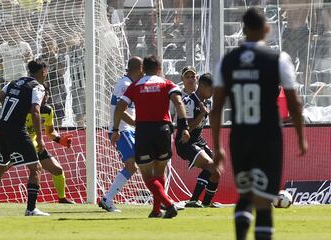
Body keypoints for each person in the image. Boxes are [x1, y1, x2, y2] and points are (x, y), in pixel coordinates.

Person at [211, 8, 307, 240]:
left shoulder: (228, 61)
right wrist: (300, 137)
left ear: (243, 30)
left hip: (240, 136)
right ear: (266, 29)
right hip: (268, 136)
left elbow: (216, 109)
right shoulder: (278, 59)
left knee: (245, 196)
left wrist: (218, 147)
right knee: (263, 201)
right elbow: (294, 104)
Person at [111, 55, 190, 218]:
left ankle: (167, 204)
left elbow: (120, 107)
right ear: (159, 68)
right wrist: (184, 127)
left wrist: (116, 129)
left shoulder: (135, 86)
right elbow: (178, 102)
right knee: (159, 173)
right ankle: (156, 210)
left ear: (143, 69)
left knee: (147, 175)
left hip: (144, 130)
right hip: (163, 130)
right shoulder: (167, 83)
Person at [0, 88, 74, 204]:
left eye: (47, 95)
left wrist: (60, 140)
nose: (45, 98)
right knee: (1, 169)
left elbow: (50, 131)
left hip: (34, 145)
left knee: (57, 169)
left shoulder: (48, 111)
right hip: (18, 143)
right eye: (43, 95)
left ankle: (62, 198)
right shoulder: (23, 108)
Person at [0, 59, 50, 216]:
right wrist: (40, 138)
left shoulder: (14, 82)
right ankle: (31, 209)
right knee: (36, 168)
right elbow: (35, 111)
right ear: (44, 72)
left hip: (1, 127)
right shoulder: (38, 87)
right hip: (16, 130)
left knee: (1, 167)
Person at [98, 56, 143, 212]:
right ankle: (107, 199)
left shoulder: (129, 83)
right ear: (140, 68)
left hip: (127, 130)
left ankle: (161, 198)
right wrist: (119, 129)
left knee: (140, 164)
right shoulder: (124, 85)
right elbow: (120, 110)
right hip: (123, 130)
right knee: (132, 165)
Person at [176, 73, 222, 208]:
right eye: (211, 89)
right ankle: (193, 200)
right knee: (210, 165)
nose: (212, 93)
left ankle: (206, 204)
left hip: (197, 140)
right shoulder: (188, 101)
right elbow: (187, 128)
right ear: (202, 86)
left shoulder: (208, 102)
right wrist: (202, 113)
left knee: (216, 171)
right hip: (185, 142)